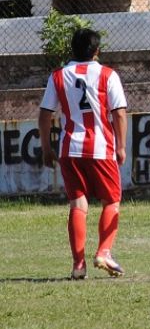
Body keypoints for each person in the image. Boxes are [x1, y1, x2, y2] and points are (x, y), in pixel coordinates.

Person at [38, 28, 128, 279]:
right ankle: (104, 251)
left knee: (78, 203)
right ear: (97, 51)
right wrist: (121, 146)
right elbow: (119, 113)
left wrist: (46, 147)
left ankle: (78, 265)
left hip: (70, 148)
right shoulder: (108, 75)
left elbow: (45, 114)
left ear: (72, 50)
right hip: (101, 149)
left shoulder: (58, 76)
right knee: (111, 200)